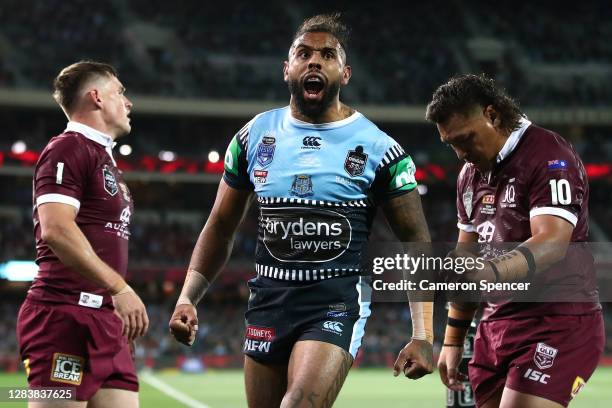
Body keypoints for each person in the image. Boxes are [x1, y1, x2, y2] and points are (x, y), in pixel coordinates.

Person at [169, 13, 434, 408]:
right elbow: (220, 226)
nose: (314, 61)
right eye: (304, 53)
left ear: (344, 74)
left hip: (334, 301)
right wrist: (188, 297)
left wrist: (423, 334)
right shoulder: (253, 136)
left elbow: (416, 241)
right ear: (286, 68)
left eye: (327, 55)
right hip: (268, 300)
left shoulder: (380, 149)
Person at [427, 74, 604, 408]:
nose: (460, 153)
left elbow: (551, 243)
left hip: (556, 324)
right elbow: (467, 260)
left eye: (465, 138)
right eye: (450, 143)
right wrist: (452, 339)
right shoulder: (469, 176)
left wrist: (490, 272)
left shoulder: (549, 155)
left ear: (492, 116)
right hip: (495, 329)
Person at [16, 61, 149, 407]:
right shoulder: (67, 148)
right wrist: (119, 288)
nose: (128, 102)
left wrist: (110, 306)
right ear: (97, 98)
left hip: (105, 321)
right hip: (64, 318)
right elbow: (56, 229)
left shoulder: (103, 158)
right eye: (120, 92)